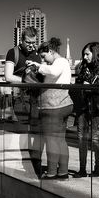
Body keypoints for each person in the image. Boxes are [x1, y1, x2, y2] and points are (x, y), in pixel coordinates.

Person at [28, 37, 74, 180]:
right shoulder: (62, 63)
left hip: (53, 106)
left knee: (51, 140)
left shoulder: (60, 62)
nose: (44, 60)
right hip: (64, 104)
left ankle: (52, 172)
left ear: (51, 51)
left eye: (44, 56)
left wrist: (36, 66)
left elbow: (53, 72)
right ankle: (63, 171)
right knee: (60, 140)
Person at [4, 26, 45, 175]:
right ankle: (28, 164)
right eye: (28, 42)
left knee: (36, 133)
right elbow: (8, 77)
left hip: (35, 99)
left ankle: (36, 165)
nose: (32, 45)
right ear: (21, 40)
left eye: (34, 42)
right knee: (23, 133)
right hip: (20, 99)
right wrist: (26, 81)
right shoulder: (13, 52)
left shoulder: (37, 54)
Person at [73, 41, 99, 178]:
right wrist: (82, 84)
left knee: (95, 138)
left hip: (98, 106)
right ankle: (82, 169)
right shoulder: (82, 67)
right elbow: (77, 83)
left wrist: (91, 86)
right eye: (83, 54)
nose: (84, 57)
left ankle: (97, 169)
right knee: (81, 137)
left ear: (95, 53)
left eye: (87, 54)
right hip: (83, 105)